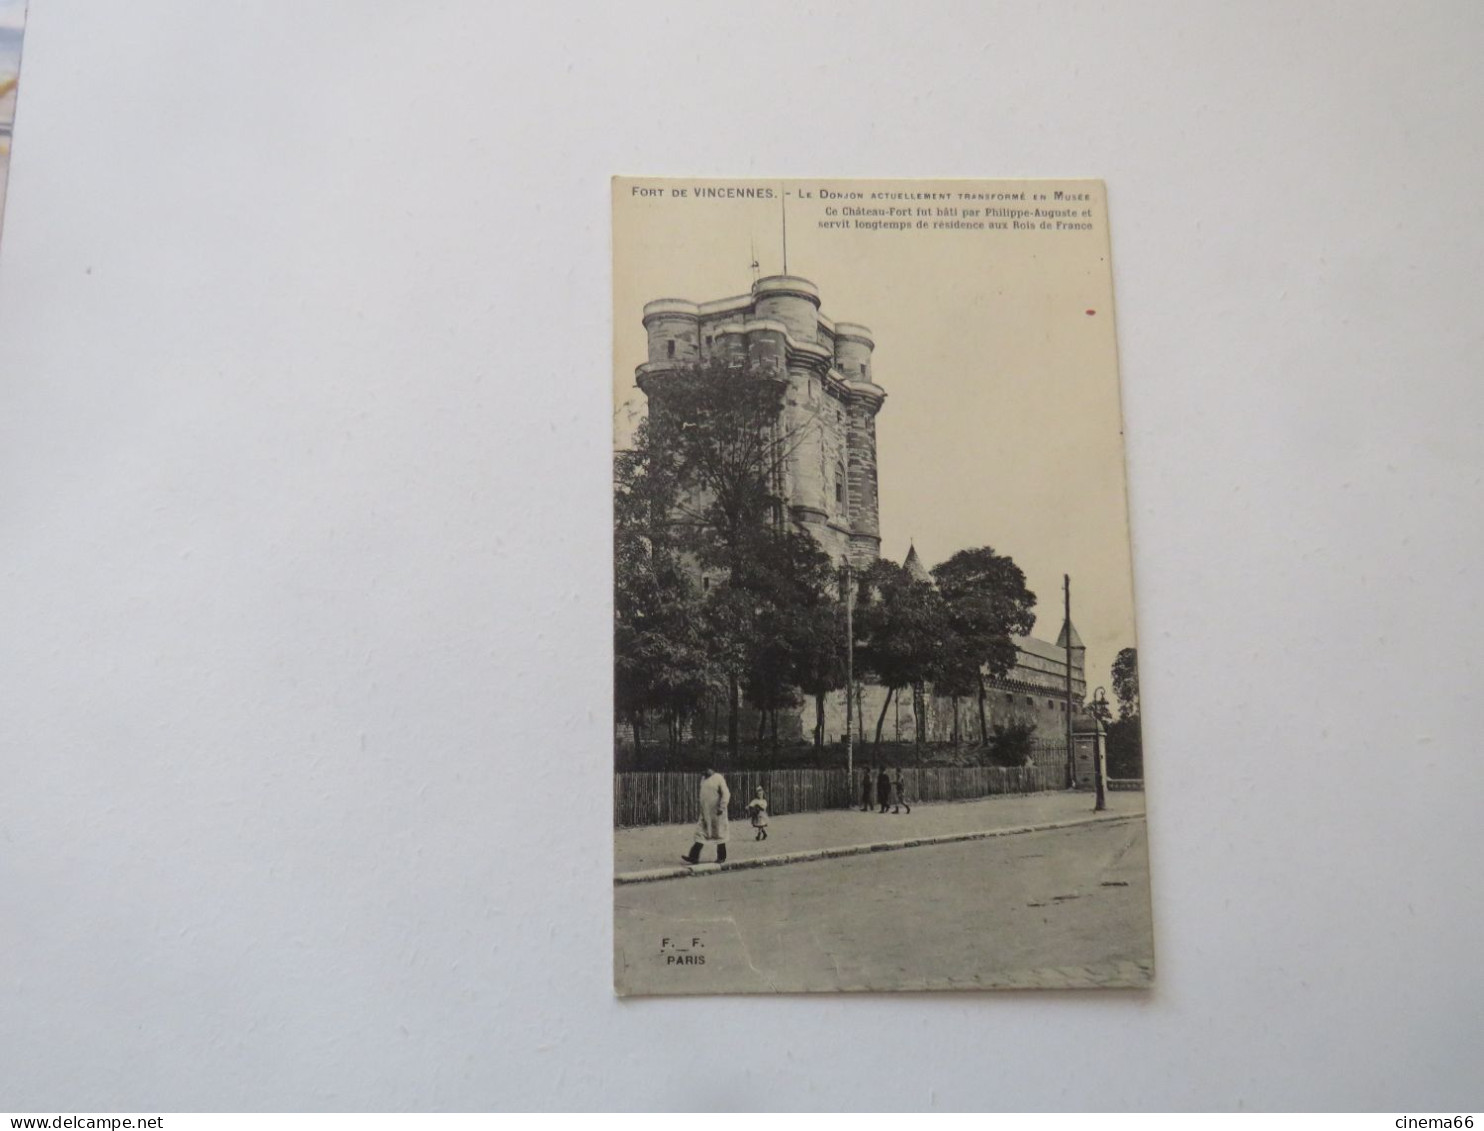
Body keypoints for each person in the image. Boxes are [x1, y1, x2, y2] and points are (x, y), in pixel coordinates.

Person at [681, 767, 730, 865]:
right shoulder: (703, 779)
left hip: (717, 813)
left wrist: (722, 807)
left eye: (705, 770)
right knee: (700, 833)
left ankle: (722, 857)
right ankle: (693, 857)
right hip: (705, 812)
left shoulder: (719, 778)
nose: (703, 772)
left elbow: (726, 794)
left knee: (719, 834)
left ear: (711, 769)